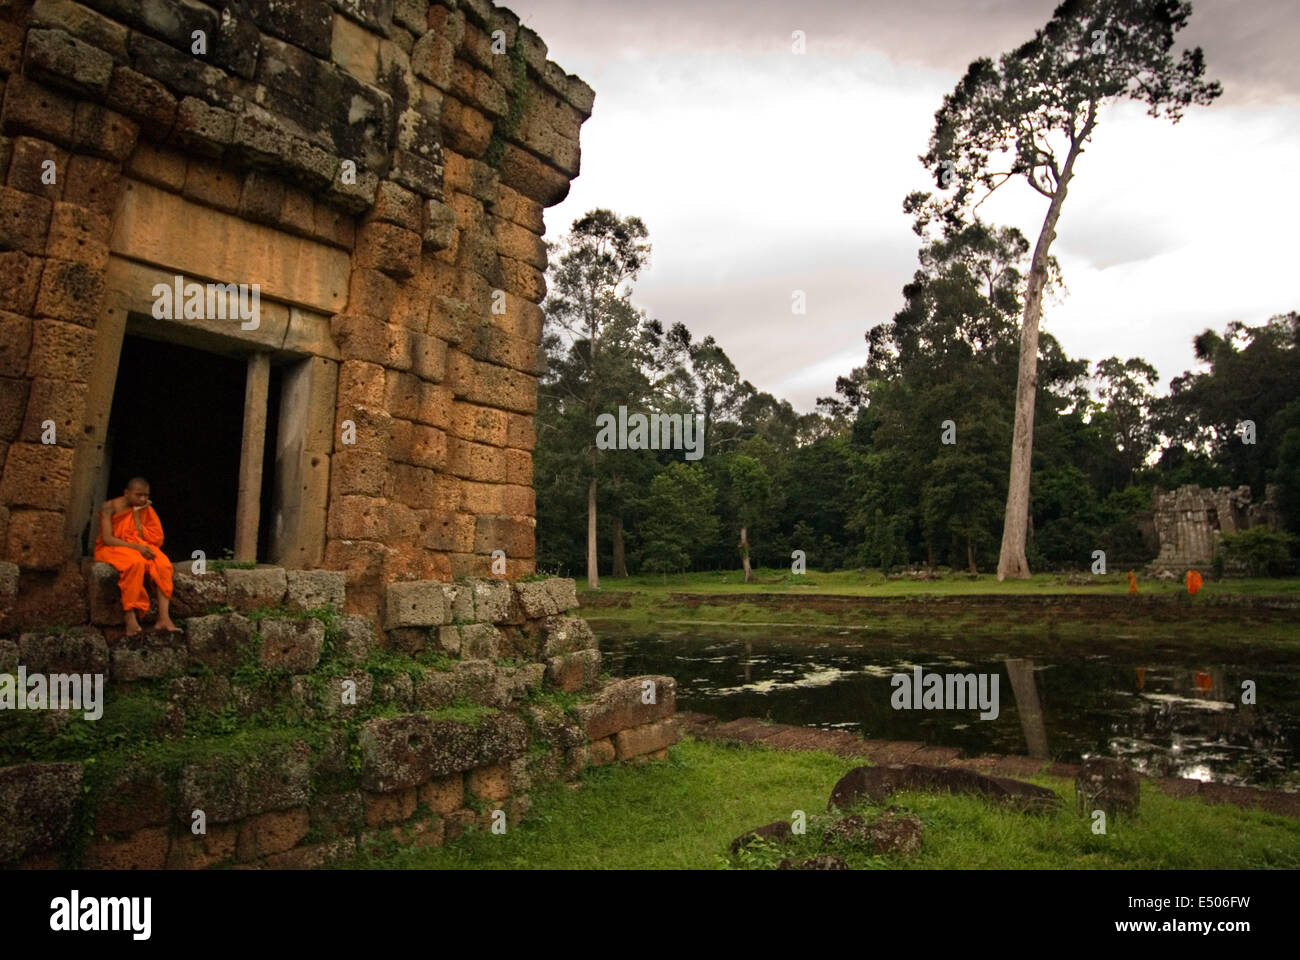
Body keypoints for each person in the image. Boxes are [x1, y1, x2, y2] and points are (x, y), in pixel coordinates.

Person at [93, 477, 180, 635]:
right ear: (126, 493)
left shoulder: (144, 508)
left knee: (163, 564)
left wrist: (137, 516)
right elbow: (108, 538)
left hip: (138, 545)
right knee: (135, 563)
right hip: (114, 547)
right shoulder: (110, 507)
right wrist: (137, 547)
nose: (143, 499)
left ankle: (164, 618)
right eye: (138, 495)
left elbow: (155, 538)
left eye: (146, 495)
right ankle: (130, 618)